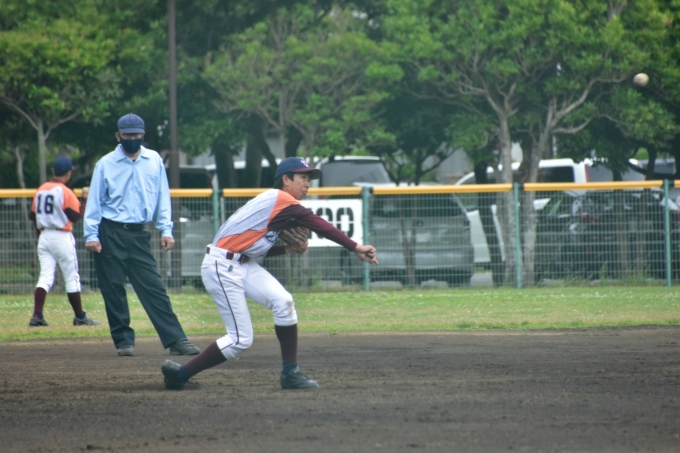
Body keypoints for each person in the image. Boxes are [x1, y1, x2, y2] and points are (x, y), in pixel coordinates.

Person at [161, 156, 378, 390]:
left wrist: (288, 249)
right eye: (303, 177)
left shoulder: (274, 209)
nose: (307, 183)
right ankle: (180, 374)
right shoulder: (280, 199)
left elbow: (254, 251)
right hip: (221, 266)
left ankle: (290, 373)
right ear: (286, 179)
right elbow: (318, 224)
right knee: (240, 340)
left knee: (284, 302)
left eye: (309, 178)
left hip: (240, 263)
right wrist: (354, 246)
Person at [83, 113, 200, 357]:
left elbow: (162, 197)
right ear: (118, 136)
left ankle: (176, 339)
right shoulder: (105, 164)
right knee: (113, 288)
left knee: (154, 288)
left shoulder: (153, 160)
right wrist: (91, 235)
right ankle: (124, 341)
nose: (132, 139)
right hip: (110, 231)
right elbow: (95, 202)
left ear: (143, 135)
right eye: (127, 136)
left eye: (136, 135)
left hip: (138, 234)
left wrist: (166, 230)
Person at [28, 156, 100, 327]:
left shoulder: (41, 189)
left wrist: (41, 234)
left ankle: (37, 315)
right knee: (72, 277)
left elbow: (32, 215)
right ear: (68, 173)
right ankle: (80, 316)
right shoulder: (65, 191)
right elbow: (76, 215)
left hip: (44, 236)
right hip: (61, 236)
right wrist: (85, 200)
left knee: (45, 277)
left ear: (53, 171)